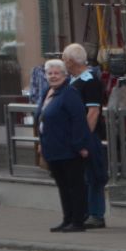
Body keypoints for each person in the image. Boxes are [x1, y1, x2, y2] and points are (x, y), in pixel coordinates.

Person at [36, 59, 90, 232]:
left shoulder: (69, 93)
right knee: (63, 187)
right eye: (50, 73)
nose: (53, 76)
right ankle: (67, 219)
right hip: (53, 149)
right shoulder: (48, 92)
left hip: (69, 149)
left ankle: (77, 221)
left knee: (75, 186)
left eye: (56, 73)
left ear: (65, 75)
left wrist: (79, 145)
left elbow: (78, 120)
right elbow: (42, 118)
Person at [62, 43, 109, 228]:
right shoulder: (73, 81)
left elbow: (93, 112)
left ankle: (96, 214)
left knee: (93, 176)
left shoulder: (90, 81)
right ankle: (85, 211)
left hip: (88, 137)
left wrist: (84, 136)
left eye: (65, 59)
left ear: (71, 61)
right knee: (81, 176)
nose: (64, 63)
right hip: (74, 137)